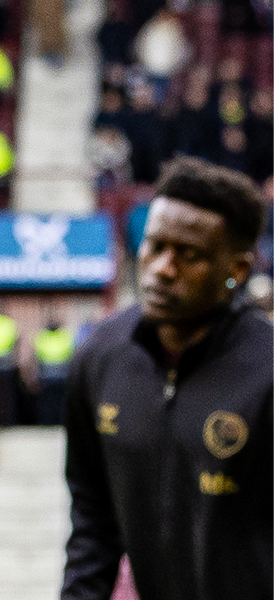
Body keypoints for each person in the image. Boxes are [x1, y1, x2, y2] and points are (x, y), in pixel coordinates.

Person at [62, 155, 274, 598]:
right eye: (155, 246)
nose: (162, 268)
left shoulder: (266, 370)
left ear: (237, 270)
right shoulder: (100, 356)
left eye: (189, 255)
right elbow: (93, 523)